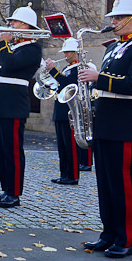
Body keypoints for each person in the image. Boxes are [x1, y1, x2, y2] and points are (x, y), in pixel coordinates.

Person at [80, 0, 132, 257]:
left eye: (118, 17)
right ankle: (108, 233)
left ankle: (125, 239)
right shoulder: (115, 46)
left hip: (125, 122)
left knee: (124, 182)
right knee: (105, 182)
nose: (113, 22)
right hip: (105, 119)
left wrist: (97, 77)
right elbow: (104, 87)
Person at [0, 3, 42, 208]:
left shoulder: (32, 48)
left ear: (26, 26)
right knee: (1, 151)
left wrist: (2, 44)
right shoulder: (10, 48)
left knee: (12, 151)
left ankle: (15, 193)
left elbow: (10, 64)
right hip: (0, 102)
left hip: (14, 104)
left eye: (14, 22)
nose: (10, 24)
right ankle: (6, 189)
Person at [44, 37, 94, 185]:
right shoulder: (67, 68)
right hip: (60, 108)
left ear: (76, 52)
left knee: (71, 145)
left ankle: (72, 175)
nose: (66, 55)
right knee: (62, 146)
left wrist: (53, 70)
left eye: (68, 52)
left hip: (71, 111)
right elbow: (60, 84)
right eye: (65, 52)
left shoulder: (80, 67)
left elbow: (68, 83)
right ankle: (64, 173)